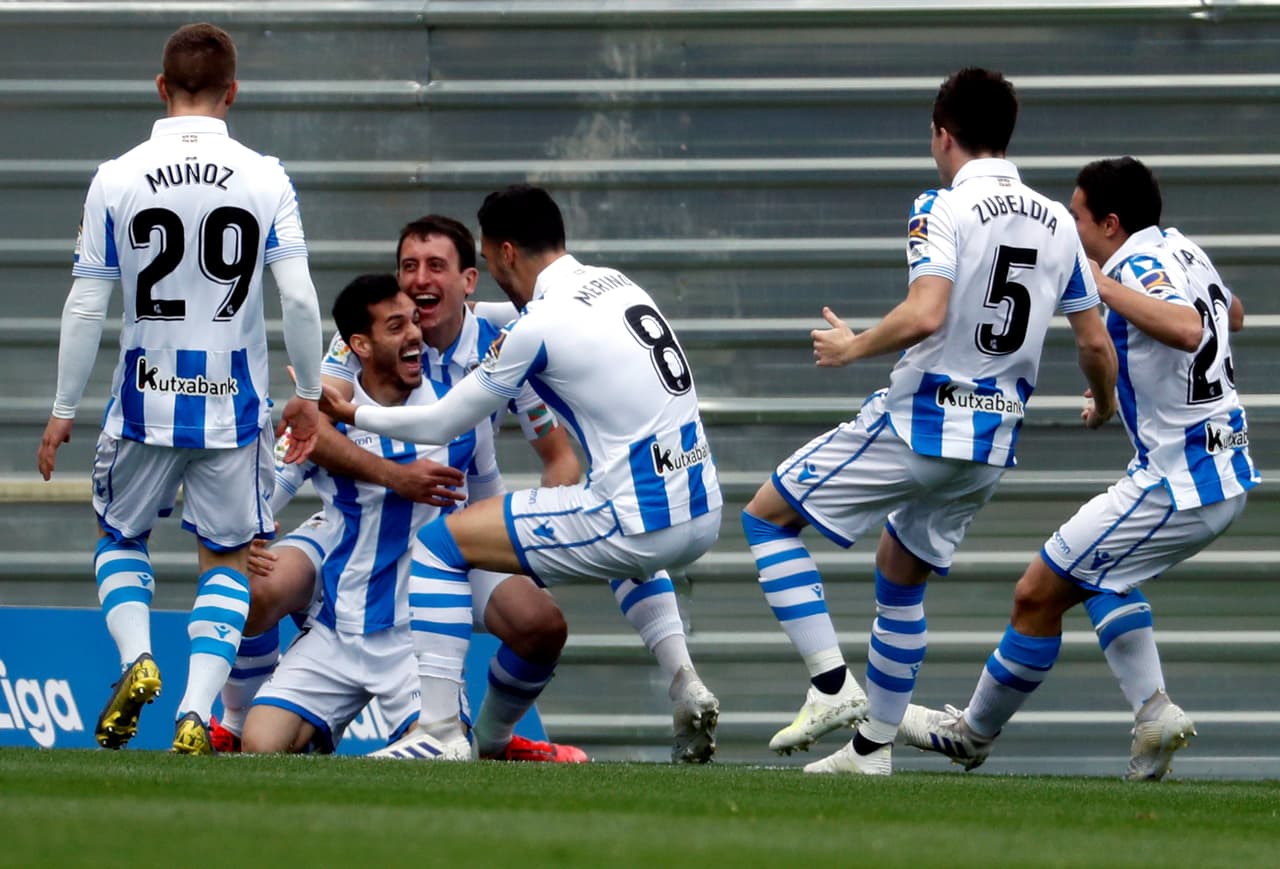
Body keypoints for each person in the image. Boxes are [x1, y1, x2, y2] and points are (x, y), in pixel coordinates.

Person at [739, 67, 1119, 775]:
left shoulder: (941, 206)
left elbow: (927, 312)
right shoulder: (1061, 224)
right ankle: (873, 750)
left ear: (943, 134)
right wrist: (1103, 403)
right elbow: (1095, 343)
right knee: (899, 570)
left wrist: (852, 345)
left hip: (923, 419)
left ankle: (830, 687)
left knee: (766, 518)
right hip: (991, 440)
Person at [317, 185, 724, 762]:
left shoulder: (527, 326)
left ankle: (438, 733)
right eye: (409, 266)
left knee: (439, 546)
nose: (421, 281)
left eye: (456, 263)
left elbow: (440, 423)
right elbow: (308, 418)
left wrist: (353, 411)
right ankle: (679, 680)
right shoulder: (618, 285)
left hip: (629, 517)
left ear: (495, 260)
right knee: (620, 535)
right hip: (699, 504)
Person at [899, 156, 1259, 780]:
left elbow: (1187, 325)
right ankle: (1153, 712)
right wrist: (1115, 393)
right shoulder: (1183, 251)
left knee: (1036, 592)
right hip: (1217, 469)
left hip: (1181, 480)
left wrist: (1102, 286)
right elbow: (1232, 315)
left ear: (1110, 225)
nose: (1069, 224)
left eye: (1077, 214)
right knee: (1100, 576)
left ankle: (973, 733)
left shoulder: (1127, 267)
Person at [34, 22, 323, 755]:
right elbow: (297, 298)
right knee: (228, 560)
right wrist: (311, 392)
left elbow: (85, 303)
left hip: (143, 403)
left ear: (161, 89)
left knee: (119, 535)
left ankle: (137, 660)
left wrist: (63, 409)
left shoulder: (117, 175)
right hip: (232, 409)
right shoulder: (266, 176)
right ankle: (196, 712)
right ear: (232, 92)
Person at [239, 274, 501, 753]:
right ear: (359, 344)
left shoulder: (458, 414)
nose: (415, 336)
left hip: (414, 636)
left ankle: (465, 735)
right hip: (338, 629)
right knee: (260, 746)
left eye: (414, 323)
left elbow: (489, 499)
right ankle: (243, 723)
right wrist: (247, 531)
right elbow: (279, 477)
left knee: (444, 753)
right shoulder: (327, 419)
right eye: (396, 326)